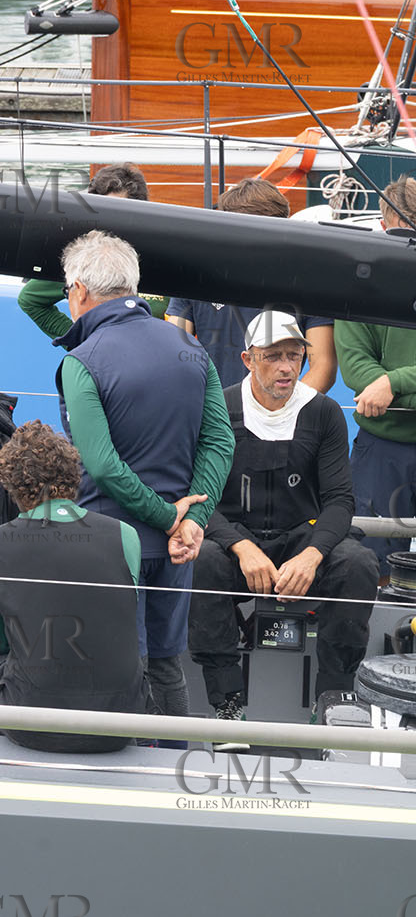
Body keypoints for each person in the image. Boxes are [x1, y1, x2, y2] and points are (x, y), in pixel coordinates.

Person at [50, 230, 234, 727]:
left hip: (110, 545)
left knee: (114, 668)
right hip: (177, 550)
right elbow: (220, 442)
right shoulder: (191, 347)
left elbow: (103, 464)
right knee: (166, 667)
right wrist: (189, 519)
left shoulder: (81, 361)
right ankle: (174, 773)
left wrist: (167, 518)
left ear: (80, 291)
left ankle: (121, 787)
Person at [190, 311, 378, 730]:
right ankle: (226, 703)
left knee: (358, 565)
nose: (287, 367)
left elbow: (338, 501)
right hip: (236, 546)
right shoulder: (218, 408)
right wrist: (241, 546)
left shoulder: (324, 413)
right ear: (248, 359)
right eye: (273, 356)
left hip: (301, 543)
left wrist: (312, 555)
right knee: (202, 561)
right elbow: (201, 499)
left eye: (295, 356)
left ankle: (334, 699)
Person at [0, 421, 150, 753]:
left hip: (32, 726)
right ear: (73, 478)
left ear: (13, 488)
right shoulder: (126, 535)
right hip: (119, 724)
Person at [164, 179, 337, 392]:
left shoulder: (308, 282)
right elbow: (173, 357)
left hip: (281, 416)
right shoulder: (195, 275)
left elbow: (323, 368)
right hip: (214, 414)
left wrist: (283, 409)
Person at [336, 175, 416, 579]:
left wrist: (393, 384)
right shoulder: (358, 285)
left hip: (382, 443)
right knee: (371, 562)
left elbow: (373, 381)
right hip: (382, 450)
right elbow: (355, 369)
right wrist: (383, 384)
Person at [17, 164, 169, 337]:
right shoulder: (87, 262)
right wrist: (81, 340)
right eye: (104, 214)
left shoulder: (162, 258)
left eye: (118, 213)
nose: (111, 223)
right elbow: (31, 300)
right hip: (103, 359)